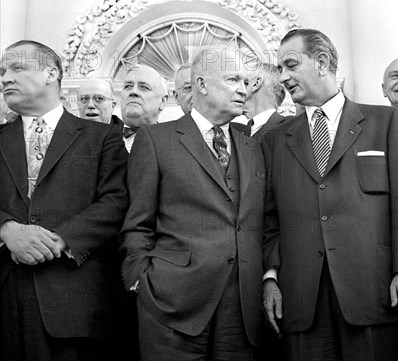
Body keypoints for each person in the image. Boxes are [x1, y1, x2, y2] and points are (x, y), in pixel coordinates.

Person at [262, 29, 398, 361]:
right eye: (279, 69)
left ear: (322, 62)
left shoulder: (386, 122)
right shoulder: (274, 140)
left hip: (375, 293)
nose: (283, 77)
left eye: (291, 65)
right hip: (302, 301)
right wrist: (270, 277)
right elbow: (269, 219)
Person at [119, 47, 266, 361]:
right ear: (201, 84)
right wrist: (140, 281)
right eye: (233, 79)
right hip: (171, 305)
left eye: (247, 81)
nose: (243, 88)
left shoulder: (254, 147)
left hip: (242, 309)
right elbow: (137, 221)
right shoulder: (156, 140)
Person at [0, 40, 128, 360]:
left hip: (74, 304)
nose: (5, 78)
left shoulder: (102, 137)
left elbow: (116, 200)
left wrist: (59, 241)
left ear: (51, 73)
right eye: (3, 72)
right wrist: (5, 230)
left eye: (17, 68)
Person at [231, 62, 287, 140]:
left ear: (256, 84)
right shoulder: (233, 131)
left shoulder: (288, 130)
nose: (237, 88)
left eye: (245, 83)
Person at [120, 64, 167, 152]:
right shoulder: (100, 140)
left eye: (144, 87)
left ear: (163, 101)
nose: (133, 91)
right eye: (128, 86)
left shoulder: (173, 144)